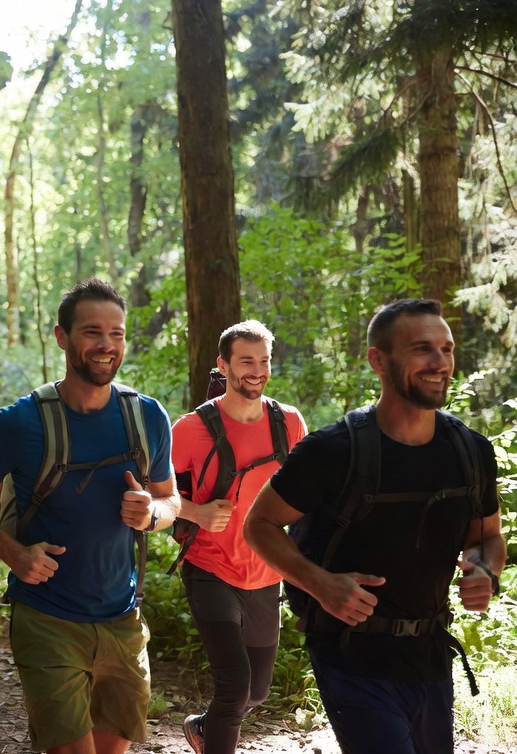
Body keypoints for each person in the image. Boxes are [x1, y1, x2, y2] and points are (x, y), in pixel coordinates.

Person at [244, 299, 503, 754]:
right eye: (423, 349)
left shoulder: (470, 451)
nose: (440, 362)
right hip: (350, 656)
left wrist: (486, 571)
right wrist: (321, 584)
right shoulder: (332, 451)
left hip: (429, 656)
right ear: (378, 360)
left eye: (446, 348)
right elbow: (259, 524)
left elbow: (486, 537)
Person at [0, 278, 178, 754]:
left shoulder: (147, 417)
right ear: (62, 337)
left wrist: (152, 512)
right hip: (48, 618)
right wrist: (12, 554)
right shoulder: (21, 422)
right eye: (92, 332)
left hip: (123, 619)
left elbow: (171, 501)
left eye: (116, 334)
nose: (106, 345)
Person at [170, 321, 308, 754]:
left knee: (256, 693)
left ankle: (202, 729)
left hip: (267, 573)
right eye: (246, 360)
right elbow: (153, 493)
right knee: (235, 687)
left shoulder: (289, 423)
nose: (257, 370)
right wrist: (195, 511)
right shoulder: (191, 429)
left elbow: (309, 495)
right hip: (210, 567)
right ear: (223, 365)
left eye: (264, 360)